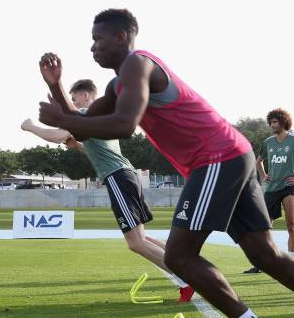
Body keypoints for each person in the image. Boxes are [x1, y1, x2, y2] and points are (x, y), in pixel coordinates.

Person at [38, 8, 294, 318]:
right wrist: (57, 86)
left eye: (97, 39)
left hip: (216, 157)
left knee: (178, 256)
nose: (92, 48)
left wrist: (62, 118)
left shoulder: (138, 64)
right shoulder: (118, 83)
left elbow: (123, 124)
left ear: (120, 37)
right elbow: (86, 128)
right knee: (265, 255)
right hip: (231, 153)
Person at [23, 78, 194, 303]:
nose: (70, 103)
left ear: (85, 97)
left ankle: (188, 280)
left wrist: (30, 126)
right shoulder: (100, 118)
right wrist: (77, 146)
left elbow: (56, 136)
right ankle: (187, 267)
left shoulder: (83, 113)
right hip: (127, 175)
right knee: (142, 238)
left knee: (135, 243)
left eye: (72, 98)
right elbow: (101, 152)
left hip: (118, 178)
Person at [243, 108, 294, 274]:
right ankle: (261, 263)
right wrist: (263, 175)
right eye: (271, 122)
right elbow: (258, 161)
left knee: (291, 226)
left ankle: (291, 261)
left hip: (289, 188)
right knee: (263, 227)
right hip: (271, 189)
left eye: (275, 122)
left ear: (283, 122)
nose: (272, 125)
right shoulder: (268, 142)